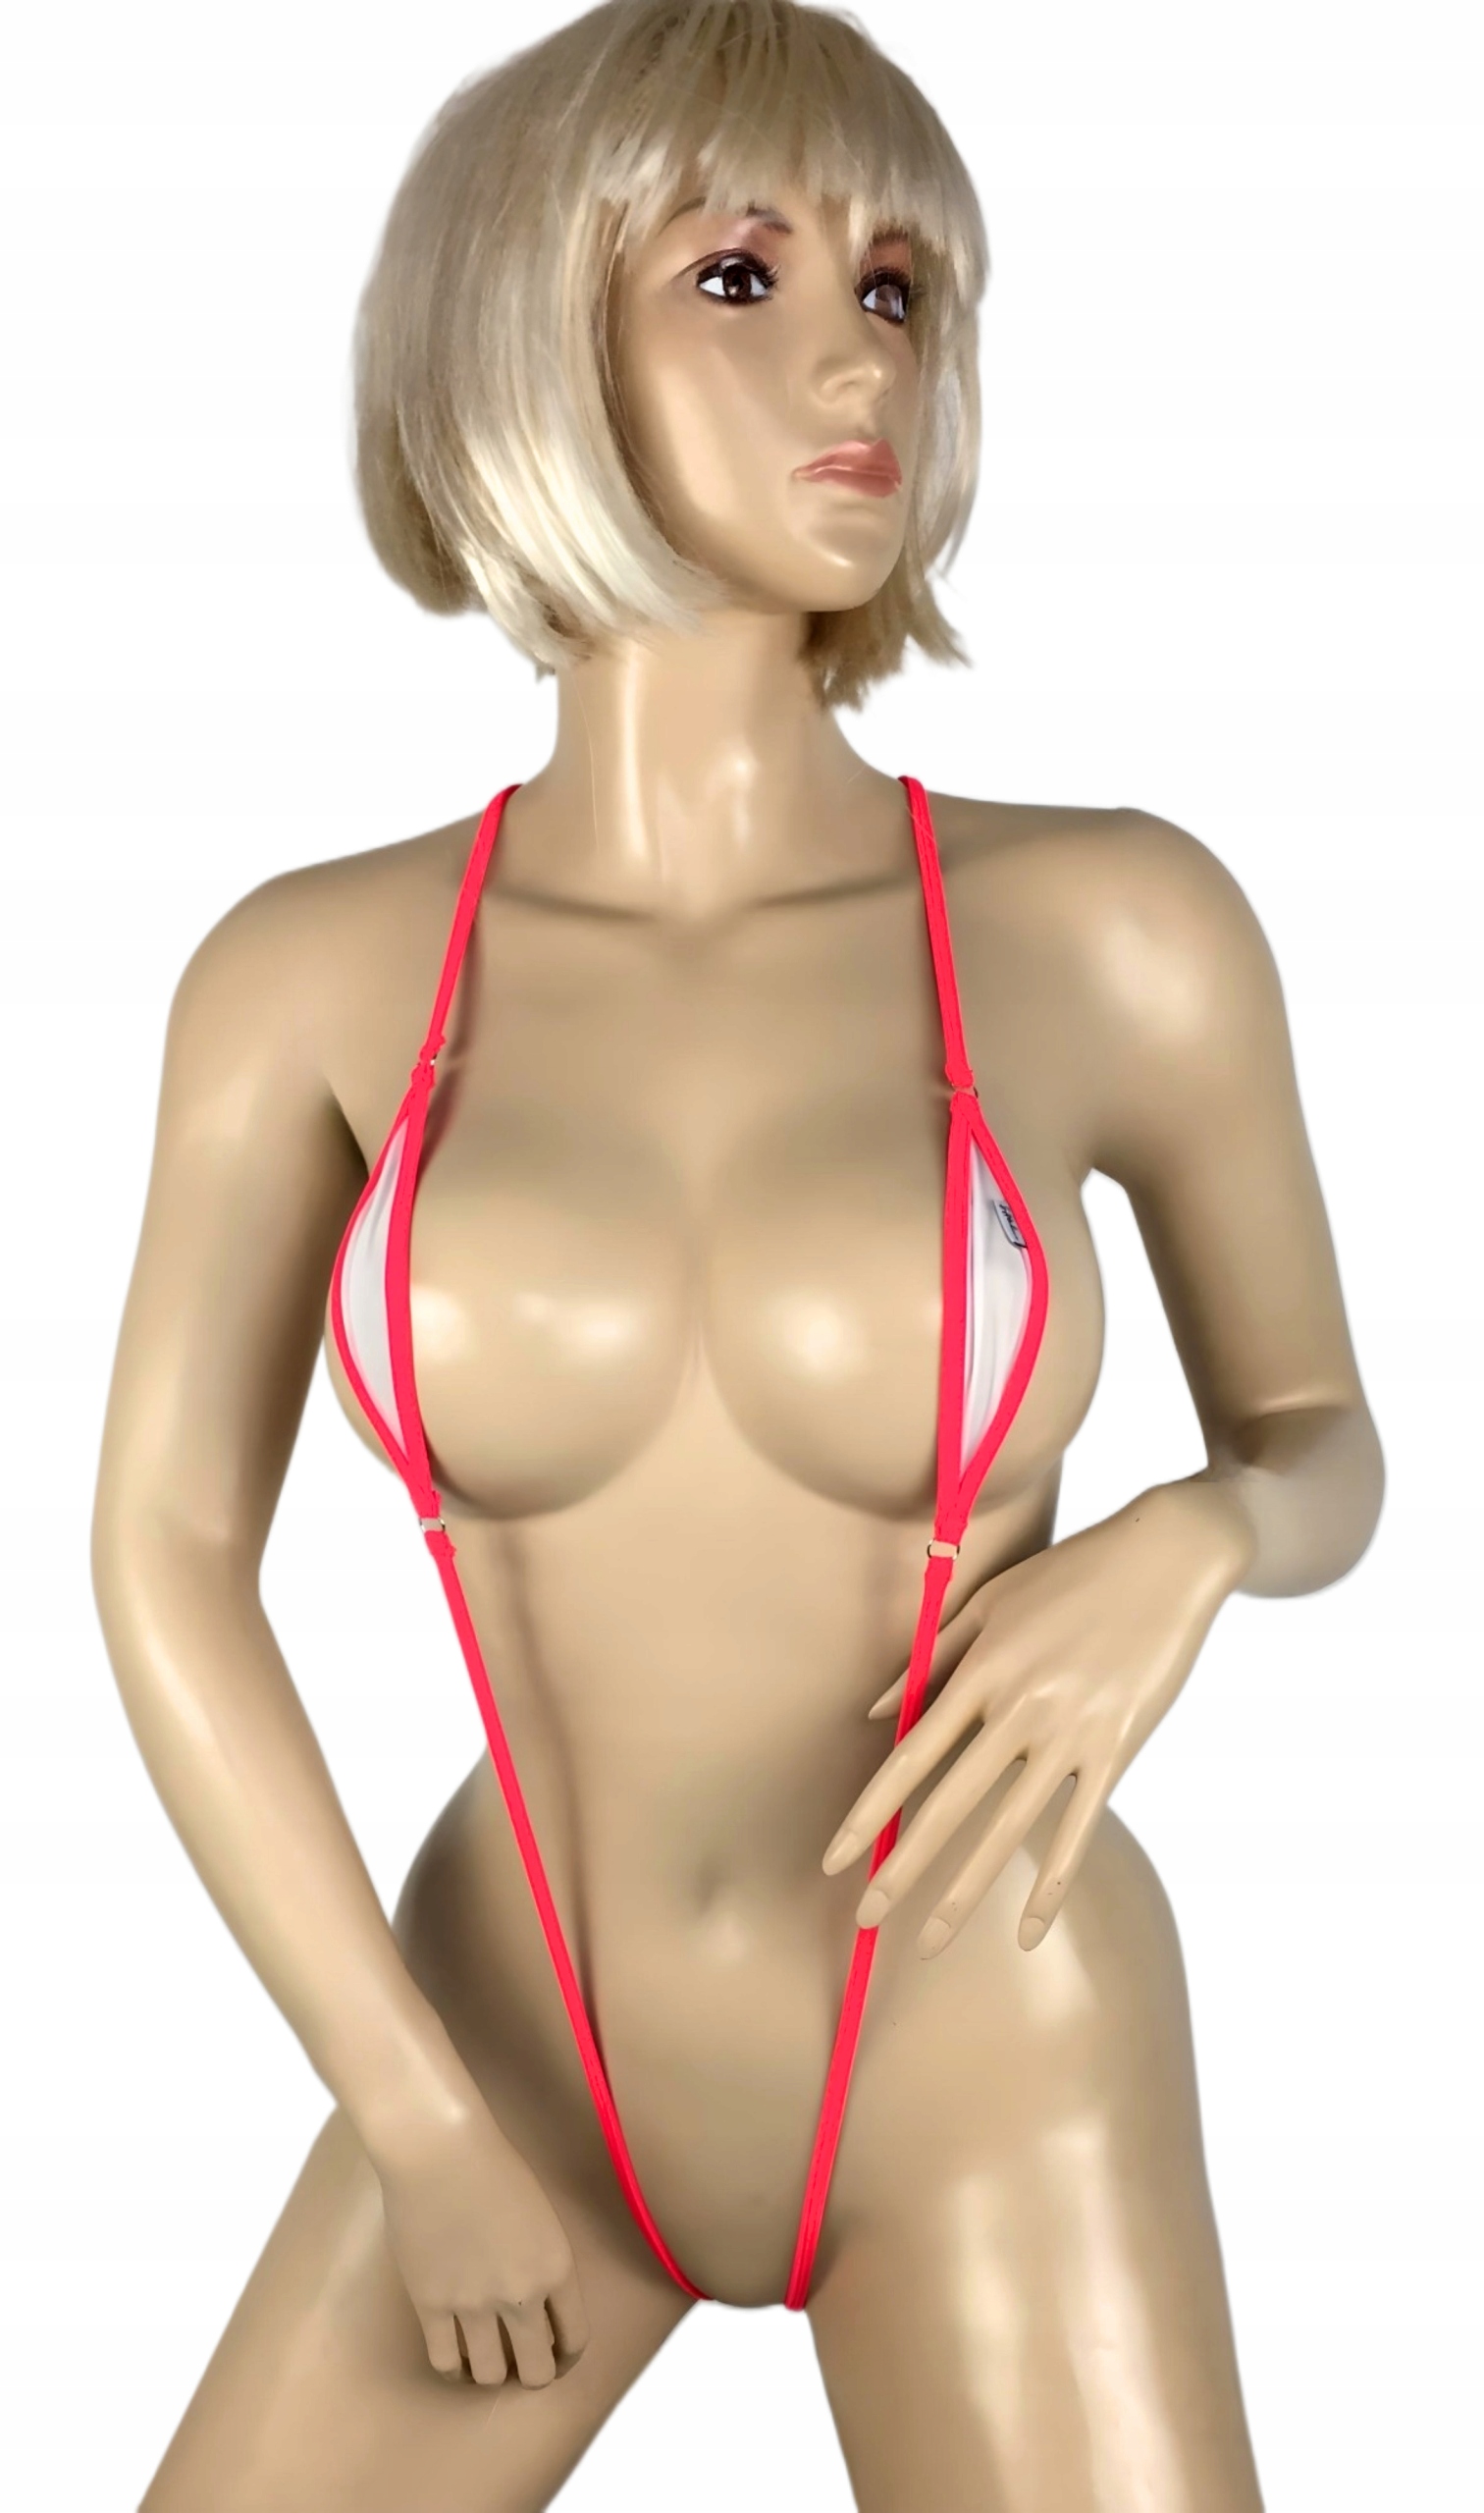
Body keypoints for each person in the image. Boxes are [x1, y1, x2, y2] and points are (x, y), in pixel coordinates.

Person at [91, 4, 1384, 2505]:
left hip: (985, 2032)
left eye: (898, 289)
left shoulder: (1115, 926)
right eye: (741, 274)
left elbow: (1323, 1433)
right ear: (526, 331)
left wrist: (1203, 1529)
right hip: (507, 2036)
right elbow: (159, 1552)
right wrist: (407, 2110)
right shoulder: (309, 975)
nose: (853, 358)